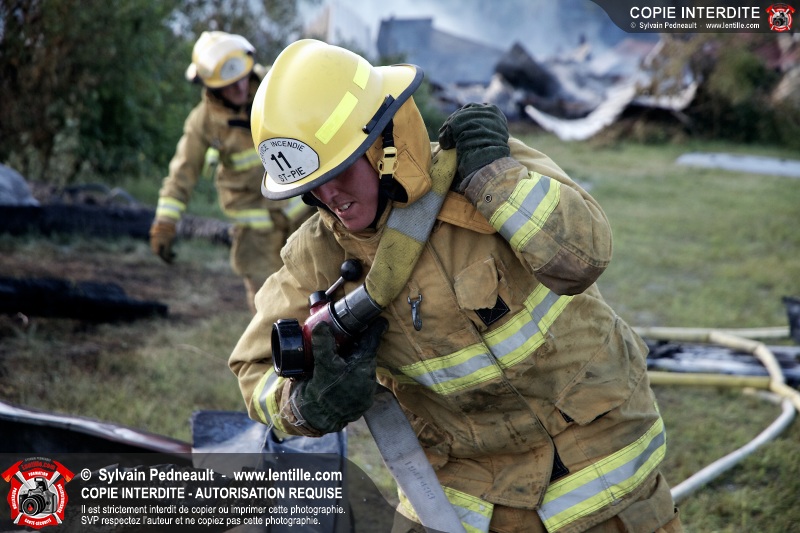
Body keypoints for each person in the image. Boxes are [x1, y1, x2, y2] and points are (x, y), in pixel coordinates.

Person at [229, 39, 683, 533]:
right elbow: (253, 368)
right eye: (310, 184)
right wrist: (306, 403)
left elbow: (584, 259)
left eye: (338, 170)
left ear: (382, 142)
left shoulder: (483, 171)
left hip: (599, 462)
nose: (328, 195)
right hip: (459, 494)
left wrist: (497, 181)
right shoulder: (317, 254)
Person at [149, 31, 311, 313]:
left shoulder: (277, 86)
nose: (239, 88)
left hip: (302, 211)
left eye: (242, 79)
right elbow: (182, 172)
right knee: (270, 305)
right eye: (228, 85)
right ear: (210, 87)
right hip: (255, 231)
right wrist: (165, 223)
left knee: (322, 283)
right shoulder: (203, 122)